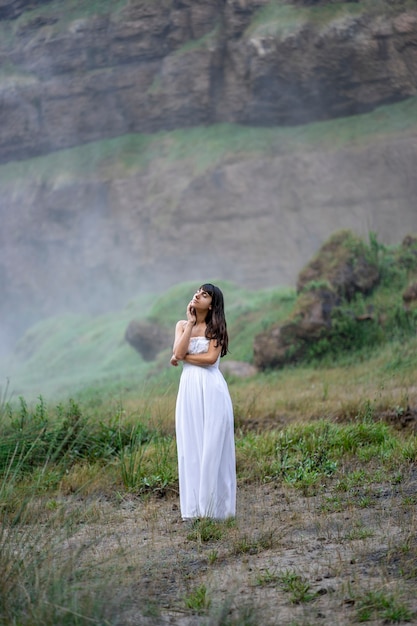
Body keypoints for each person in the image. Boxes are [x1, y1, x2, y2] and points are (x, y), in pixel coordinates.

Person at [170, 283, 236, 520]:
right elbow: (177, 349)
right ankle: (195, 510)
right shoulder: (182, 325)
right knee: (191, 445)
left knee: (212, 445)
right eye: (198, 292)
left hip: (211, 389)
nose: (198, 295)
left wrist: (182, 357)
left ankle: (217, 510)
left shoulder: (216, 326)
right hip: (188, 389)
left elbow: (210, 359)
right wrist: (189, 323)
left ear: (212, 305)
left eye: (205, 294)